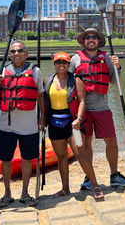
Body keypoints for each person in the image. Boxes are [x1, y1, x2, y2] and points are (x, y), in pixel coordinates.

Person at [69, 28, 125, 190]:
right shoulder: (75, 59)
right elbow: (68, 84)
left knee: (111, 141)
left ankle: (114, 175)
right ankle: (89, 177)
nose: (91, 39)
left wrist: (117, 67)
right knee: (86, 142)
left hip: (102, 107)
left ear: (98, 41)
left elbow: (115, 82)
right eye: (87, 37)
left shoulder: (108, 59)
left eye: (94, 37)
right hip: (83, 110)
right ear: (83, 41)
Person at [0, 41, 45, 207]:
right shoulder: (2, 71)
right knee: (5, 160)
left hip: (29, 125)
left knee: (27, 159)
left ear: (26, 53)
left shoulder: (36, 72)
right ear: (10, 54)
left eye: (20, 50)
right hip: (6, 125)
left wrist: (42, 117)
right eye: (13, 51)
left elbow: (41, 96)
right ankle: (7, 193)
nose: (16, 53)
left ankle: (25, 193)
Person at [44, 52, 104, 199]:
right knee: (61, 157)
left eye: (64, 62)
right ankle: (65, 188)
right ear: (54, 64)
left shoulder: (76, 79)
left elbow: (82, 101)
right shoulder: (48, 80)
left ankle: (95, 185)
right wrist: (42, 120)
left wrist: (78, 118)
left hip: (72, 123)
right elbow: (43, 100)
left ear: (69, 64)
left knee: (81, 155)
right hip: (54, 122)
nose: (61, 65)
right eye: (58, 62)